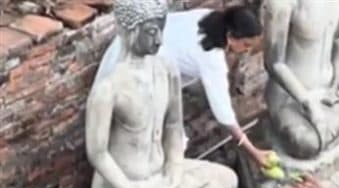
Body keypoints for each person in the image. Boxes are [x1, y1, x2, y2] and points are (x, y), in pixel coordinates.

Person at [94, 6, 271, 167]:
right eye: (246, 45)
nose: (246, 51)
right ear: (231, 36)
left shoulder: (208, 17)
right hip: (131, 75)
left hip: (125, 53)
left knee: (168, 136)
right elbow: (224, 114)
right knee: (174, 143)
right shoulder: (211, 58)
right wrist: (253, 152)